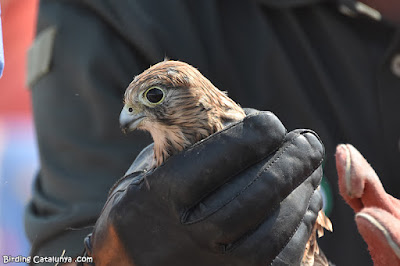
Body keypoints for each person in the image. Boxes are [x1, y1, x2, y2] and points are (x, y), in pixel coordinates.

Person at [25, 0, 400, 265]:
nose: (128, 116)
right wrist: (111, 260)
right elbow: (57, 254)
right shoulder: (115, 13)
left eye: (152, 98)